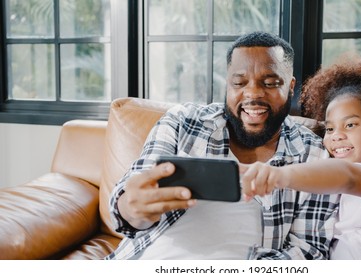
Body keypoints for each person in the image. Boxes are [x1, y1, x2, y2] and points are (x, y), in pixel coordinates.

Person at [105, 31, 339, 260]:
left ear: (290, 85)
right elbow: (131, 196)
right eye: (239, 82)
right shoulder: (183, 121)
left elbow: (310, 250)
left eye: (270, 83)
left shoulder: (314, 154)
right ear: (227, 84)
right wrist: (131, 207)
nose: (253, 93)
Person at [239, 51, 361, 259]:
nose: (336, 136)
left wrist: (278, 175)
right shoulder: (326, 194)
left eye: (350, 125)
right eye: (329, 129)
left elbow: (349, 177)